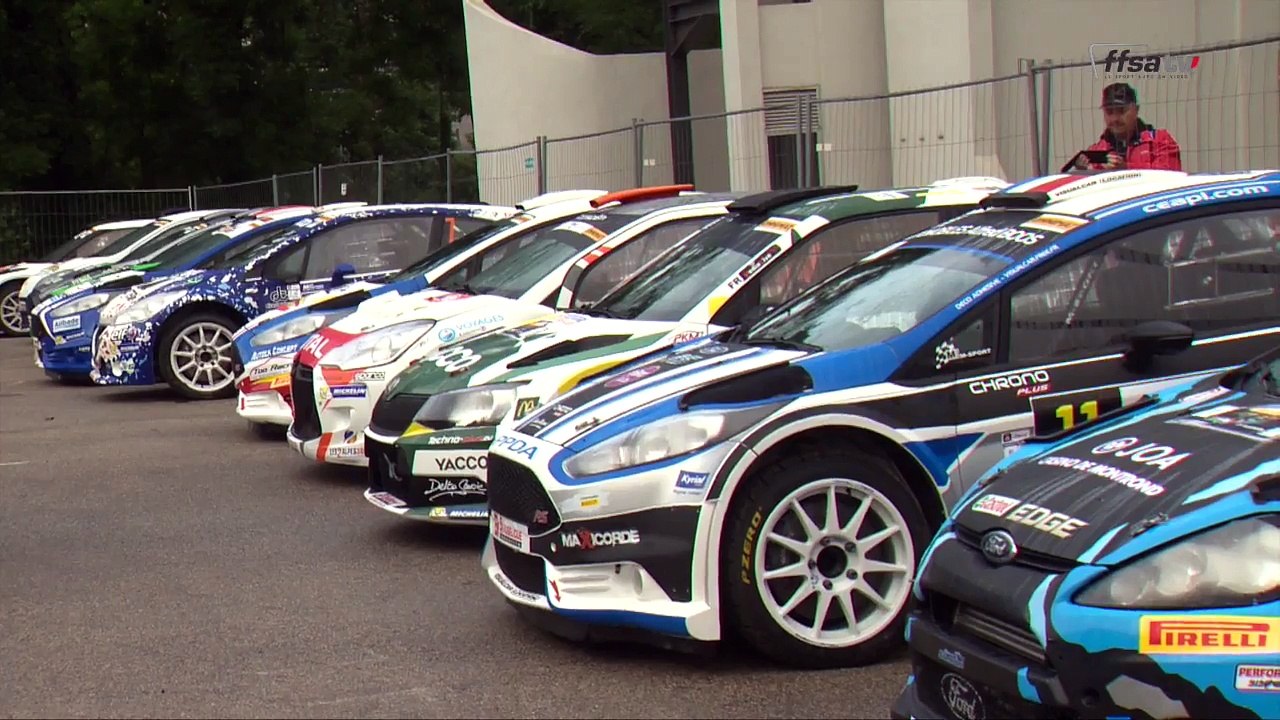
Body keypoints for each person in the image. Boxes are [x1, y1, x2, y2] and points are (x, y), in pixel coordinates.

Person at [1073, 83, 1182, 171]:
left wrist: (1126, 169)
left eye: (1121, 111)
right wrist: (1082, 171)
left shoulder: (1160, 141)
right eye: (1109, 112)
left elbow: (1171, 177)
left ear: (1136, 110)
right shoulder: (1096, 151)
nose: (1115, 118)